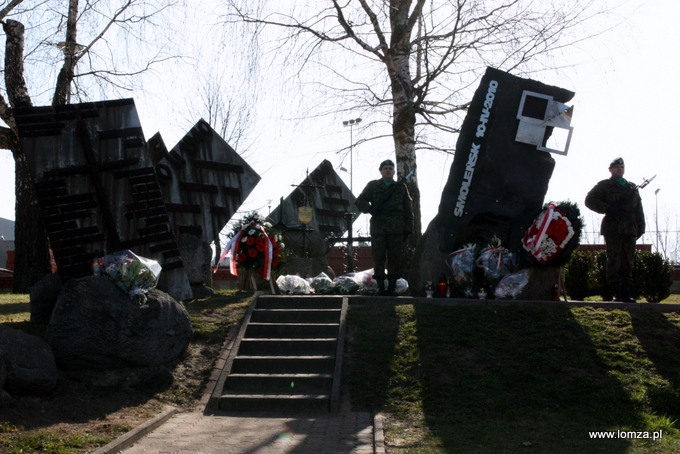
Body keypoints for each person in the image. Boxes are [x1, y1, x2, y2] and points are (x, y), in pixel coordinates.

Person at [585, 157, 645, 302]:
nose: (620, 169)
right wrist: (608, 208)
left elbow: (638, 209)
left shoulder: (632, 187)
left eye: (622, 167)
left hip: (630, 229)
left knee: (628, 261)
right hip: (613, 228)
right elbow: (589, 200)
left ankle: (626, 292)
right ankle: (616, 292)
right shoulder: (604, 185)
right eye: (617, 167)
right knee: (614, 260)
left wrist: (640, 227)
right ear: (610, 169)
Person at [355, 159, 413, 296]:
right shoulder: (373, 185)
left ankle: (392, 288)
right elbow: (360, 201)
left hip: (397, 228)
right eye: (385, 168)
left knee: (394, 258)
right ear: (380, 171)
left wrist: (408, 228)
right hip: (378, 227)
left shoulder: (400, 187)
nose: (388, 170)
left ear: (393, 171)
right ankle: (381, 288)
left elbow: (408, 209)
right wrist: (370, 209)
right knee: (378, 258)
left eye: (390, 168)